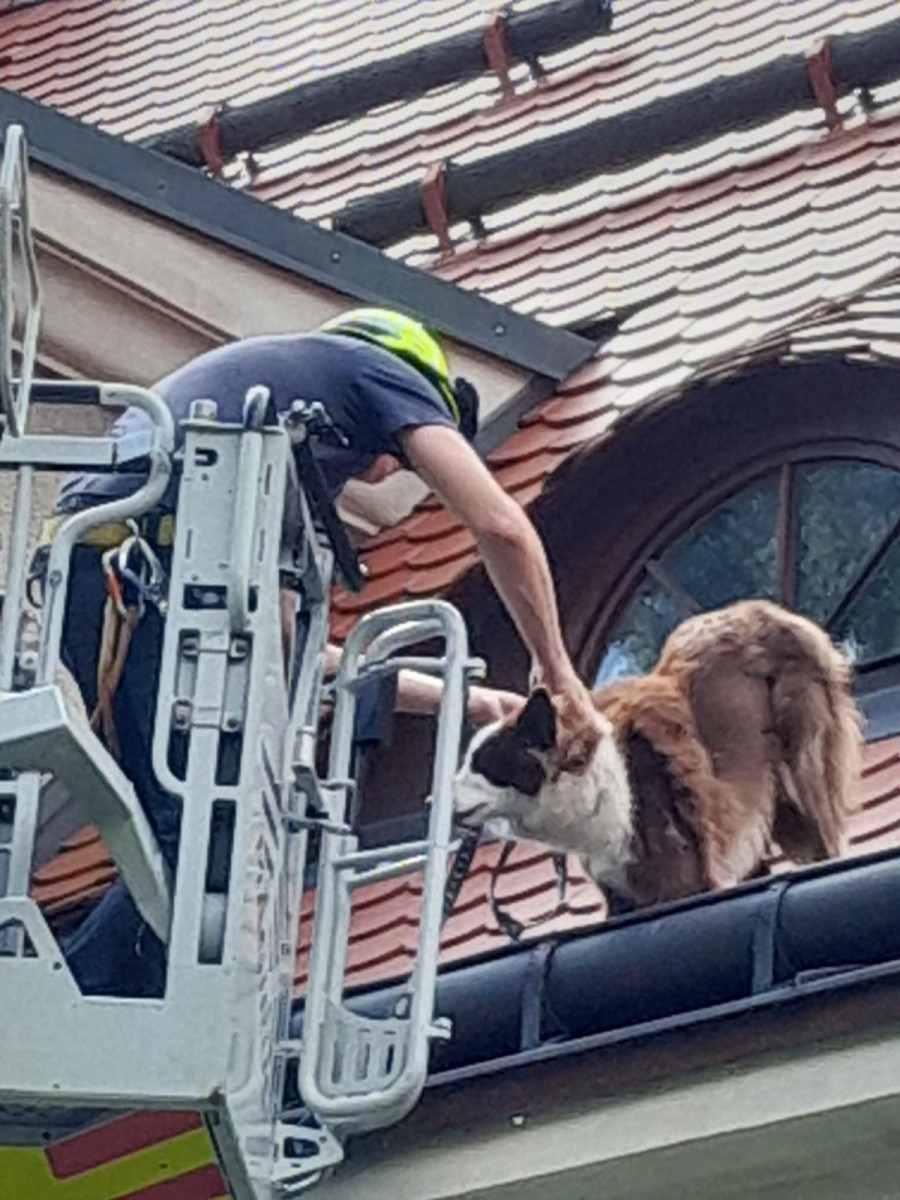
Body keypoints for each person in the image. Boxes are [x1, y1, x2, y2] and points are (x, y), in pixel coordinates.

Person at [55, 309, 592, 995]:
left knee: (189, 843)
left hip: (102, 577)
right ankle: (56, 1012)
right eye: (403, 456)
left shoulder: (272, 445)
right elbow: (501, 526)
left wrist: (465, 697)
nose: (390, 469)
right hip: (140, 578)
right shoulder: (382, 373)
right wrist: (556, 665)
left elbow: (295, 657)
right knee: (204, 850)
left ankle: (74, 1007)